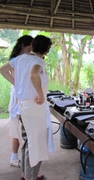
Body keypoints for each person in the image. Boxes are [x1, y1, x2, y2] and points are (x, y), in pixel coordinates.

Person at [0, 35, 54, 180]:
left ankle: (26, 174)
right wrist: (41, 94)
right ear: (47, 51)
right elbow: (33, 74)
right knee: (34, 145)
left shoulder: (20, 59)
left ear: (32, 46)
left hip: (22, 107)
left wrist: (17, 84)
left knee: (27, 142)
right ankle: (30, 176)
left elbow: (3, 70)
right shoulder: (38, 61)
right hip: (34, 108)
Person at [7, 35, 33, 168]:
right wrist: (17, 85)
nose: (31, 49)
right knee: (18, 128)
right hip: (18, 95)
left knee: (19, 129)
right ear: (24, 45)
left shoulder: (25, 58)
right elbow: (12, 76)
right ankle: (15, 157)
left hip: (21, 93)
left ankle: (16, 157)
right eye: (30, 47)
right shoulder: (16, 59)